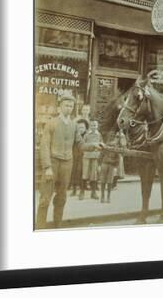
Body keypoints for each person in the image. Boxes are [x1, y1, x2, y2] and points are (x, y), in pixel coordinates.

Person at [36, 94, 100, 229]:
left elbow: (81, 145)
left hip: (67, 164)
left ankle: (57, 226)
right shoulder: (51, 123)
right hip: (52, 164)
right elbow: (44, 146)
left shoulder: (74, 125)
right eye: (66, 105)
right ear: (60, 106)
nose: (69, 108)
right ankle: (40, 227)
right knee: (45, 199)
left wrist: (94, 145)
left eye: (71, 106)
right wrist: (47, 167)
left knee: (61, 198)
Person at [99, 131, 126, 203]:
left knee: (109, 182)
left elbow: (117, 157)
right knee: (103, 181)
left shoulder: (116, 147)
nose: (111, 138)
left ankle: (108, 197)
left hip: (111, 165)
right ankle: (102, 196)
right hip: (104, 164)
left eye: (113, 137)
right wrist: (99, 165)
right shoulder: (104, 146)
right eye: (110, 137)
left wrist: (116, 166)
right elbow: (101, 155)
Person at [82, 120, 103, 199]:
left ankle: (93, 193)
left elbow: (101, 145)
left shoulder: (99, 135)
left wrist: (100, 147)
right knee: (85, 174)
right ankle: (82, 192)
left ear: (97, 126)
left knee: (94, 175)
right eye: (92, 125)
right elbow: (82, 145)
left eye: (95, 125)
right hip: (87, 156)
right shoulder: (86, 135)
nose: (94, 127)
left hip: (95, 157)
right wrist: (92, 145)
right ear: (90, 126)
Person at [70, 118, 89, 197]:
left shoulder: (87, 136)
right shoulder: (74, 136)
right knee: (74, 172)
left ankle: (82, 191)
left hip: (84, 157)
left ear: (85, 128)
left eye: (82, 127)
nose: (80, 129)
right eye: (78, 127)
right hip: (75, 157)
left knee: (82, 174)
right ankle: (74, 190)